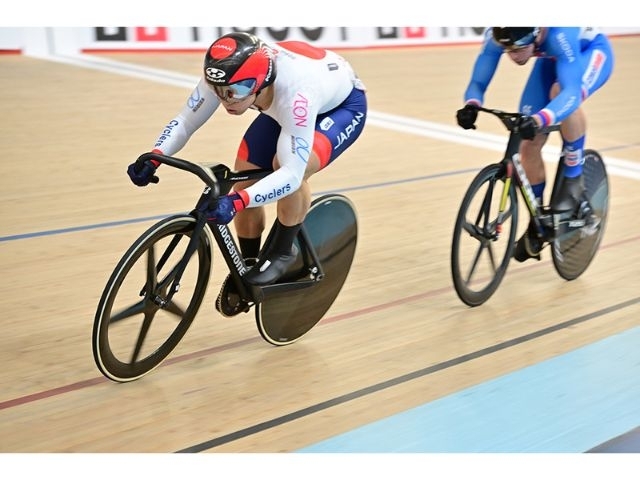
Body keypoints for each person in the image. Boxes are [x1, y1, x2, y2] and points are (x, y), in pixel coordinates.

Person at [127, 32, 368, 292]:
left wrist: (236, 202)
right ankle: (249, 263)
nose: (227, 99)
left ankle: (284, 252)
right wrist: (155, 156)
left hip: (340, 108)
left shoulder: (297, 95)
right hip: (279, 104)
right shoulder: (226, 75)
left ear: (262, 82)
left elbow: (291, 173)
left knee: (285, 166)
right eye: (219, 92)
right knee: (246, 181)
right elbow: (186, 121)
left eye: (237, 90)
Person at [456, 27, 614, 262]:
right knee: (528, 142)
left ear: (537, 33)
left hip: (588, 53)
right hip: (551, 58)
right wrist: (472, 104)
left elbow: (570, 92)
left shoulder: (559, 34)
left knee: (559, 91)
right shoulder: (500, 32)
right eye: (507, 50)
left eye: (519, 49)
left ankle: (573, 175)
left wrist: (541, 119)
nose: (514, 56)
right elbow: (479, 78)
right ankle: (538, 220)